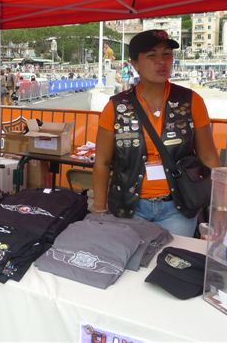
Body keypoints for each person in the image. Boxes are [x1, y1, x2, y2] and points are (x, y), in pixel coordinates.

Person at [93, 29, 220, 237]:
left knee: (172, 256)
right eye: (152, 56)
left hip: (178, 207)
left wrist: (218, 206)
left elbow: (208, 156)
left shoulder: (191, 101)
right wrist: (99, 209)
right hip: (129, 207)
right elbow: (102, 162)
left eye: (167, 54)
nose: (161, 62)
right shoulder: (116, 107)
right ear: (135, 63)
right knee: (131, 256)